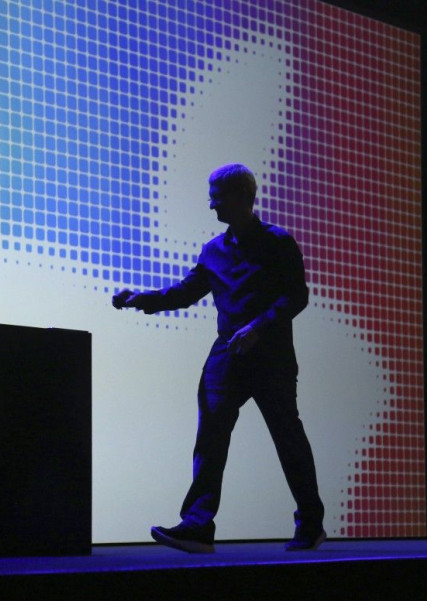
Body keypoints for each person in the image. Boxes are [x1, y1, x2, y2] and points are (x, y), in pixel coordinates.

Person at [113, 163, 325, 552]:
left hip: (271, 359)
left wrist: (258, 326)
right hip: (226, 357)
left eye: (217, 197)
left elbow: (297, 296)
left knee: (287, 439)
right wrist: (139, 299)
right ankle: (197, 525)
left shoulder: (278, 242)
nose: (211, 206)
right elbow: (185, 292)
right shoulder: (213, 251)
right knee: (210, 438)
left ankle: (310, 523)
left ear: (243, 198)